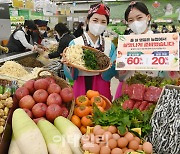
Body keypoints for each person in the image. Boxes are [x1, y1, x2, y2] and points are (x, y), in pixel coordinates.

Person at [115, 1, 168, 99]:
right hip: (128, 90)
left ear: (148, 17)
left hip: (153, 91)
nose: (135, 22)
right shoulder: (124, 43)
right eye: (130, 20)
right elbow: (120, 76)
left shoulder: (161, 42)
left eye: (139, 18)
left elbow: (168, 75)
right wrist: (118, 64)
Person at [63, 3, 117, 100]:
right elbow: (71, 77)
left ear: (106, 24)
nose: (98, 24)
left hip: (102, 86)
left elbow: (109, 75)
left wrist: (116, 64)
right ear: (88, 20)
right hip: (81, 84)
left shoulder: (110, 45)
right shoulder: (75, 43)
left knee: (102, 111)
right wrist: (68, 65)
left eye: (103, 22)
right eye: (95, 20)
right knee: (80, 112)